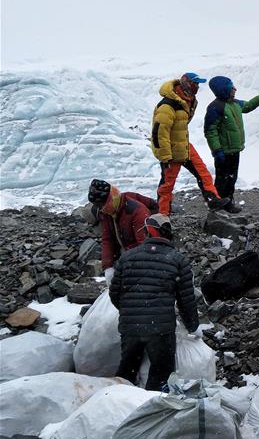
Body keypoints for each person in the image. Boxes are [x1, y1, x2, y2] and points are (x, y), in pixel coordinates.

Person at [109, 214, 199, 391]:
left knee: (127, 372)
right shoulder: (178, 260)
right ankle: (151, 411)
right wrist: (192, 326)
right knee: (160, 376)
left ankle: (119, 406)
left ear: (149, 232)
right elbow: (186, 301)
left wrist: (130, 311)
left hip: (130, 327)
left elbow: (114, 293)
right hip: (160, 331)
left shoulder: (127, 257)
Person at [151, 72, 229, 215]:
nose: (197, 86)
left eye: (198, 84)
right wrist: (165, 156)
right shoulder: (168, 106)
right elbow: (159, 133)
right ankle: (162, 215)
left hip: (184, 145)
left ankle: (213, 200)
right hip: (171, 150)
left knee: (203, 173)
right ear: (186, 83)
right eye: (195, 83)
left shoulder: (188, 100)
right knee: (167, 184)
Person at [203, 76, 259, 211]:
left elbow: (248, 106)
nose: (235, 89)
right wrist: (216, 150)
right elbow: (210, 131)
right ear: (223, 90)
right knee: (222, 179)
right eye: (231, 87)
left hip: (234, 149)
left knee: (232, 178)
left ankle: (228, 203)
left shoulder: (235, 103)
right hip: (223, 151)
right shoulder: (215, 107)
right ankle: (218, 204)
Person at [87, 179, 157, 283]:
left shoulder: (137, 212)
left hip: (140, 256)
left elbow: (144, 246)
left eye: (102, 205)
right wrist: (108, 266)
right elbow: (107, 239)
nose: (101, 209)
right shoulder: (106, 212)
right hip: (125, 252)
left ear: (110, 199)